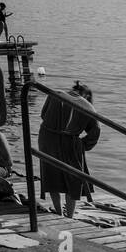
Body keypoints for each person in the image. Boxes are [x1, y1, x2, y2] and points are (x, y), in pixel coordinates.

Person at [36, 81, 100, 218]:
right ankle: (69, 215)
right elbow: (95, 132)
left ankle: (58, 211)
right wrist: (83, 145)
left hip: (47, 137)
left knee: (51, 174)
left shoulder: (55, 94)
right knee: (73, 179)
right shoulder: (88, 107)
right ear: (87, 95)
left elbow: (43, 114)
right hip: (69, 142)